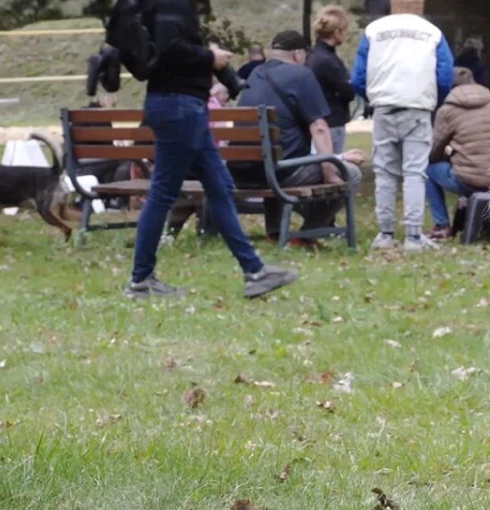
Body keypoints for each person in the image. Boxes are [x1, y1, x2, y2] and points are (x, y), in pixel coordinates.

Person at [126, 0, 296, 300]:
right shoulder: (171, 4)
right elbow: (170, 49)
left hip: (184, 106)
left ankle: (255, 272)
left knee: (220, 187)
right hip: (179, 107)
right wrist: (210, 57)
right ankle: (141, 280)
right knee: (164, 192)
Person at [234, 30, 365, 244]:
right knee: (351, 173)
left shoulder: (256, 73)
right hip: (279, 172)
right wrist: (331, 168)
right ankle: (306, 234)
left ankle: (275, 233)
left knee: (273, 158)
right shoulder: (302, 75)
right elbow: (320, 128)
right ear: (298, 54)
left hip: (242, 172)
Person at [352, 0, 454, 252]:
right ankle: (413, 235)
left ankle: (386, 233)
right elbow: (444, 75)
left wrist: (374, 98)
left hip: (384, 108)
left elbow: (358, 77)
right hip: (418, 108)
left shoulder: (373, 31)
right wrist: (432, 101)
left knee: (385, 172)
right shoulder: (432, 33)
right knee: (414, 172)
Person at [425, 68, 490, 240]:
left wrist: (448, 155)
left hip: (468, 180)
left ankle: (442, 225)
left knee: (426, 169)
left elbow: (433, 152)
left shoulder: (447, 110)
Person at [307, 5, 356, 154]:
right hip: (332, 122)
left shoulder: (312, 56)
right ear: (337, 32)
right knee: (333, 166)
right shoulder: (329, 61)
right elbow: (348, 92)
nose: (346, 34)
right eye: (344, 30)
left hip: (315, 121)